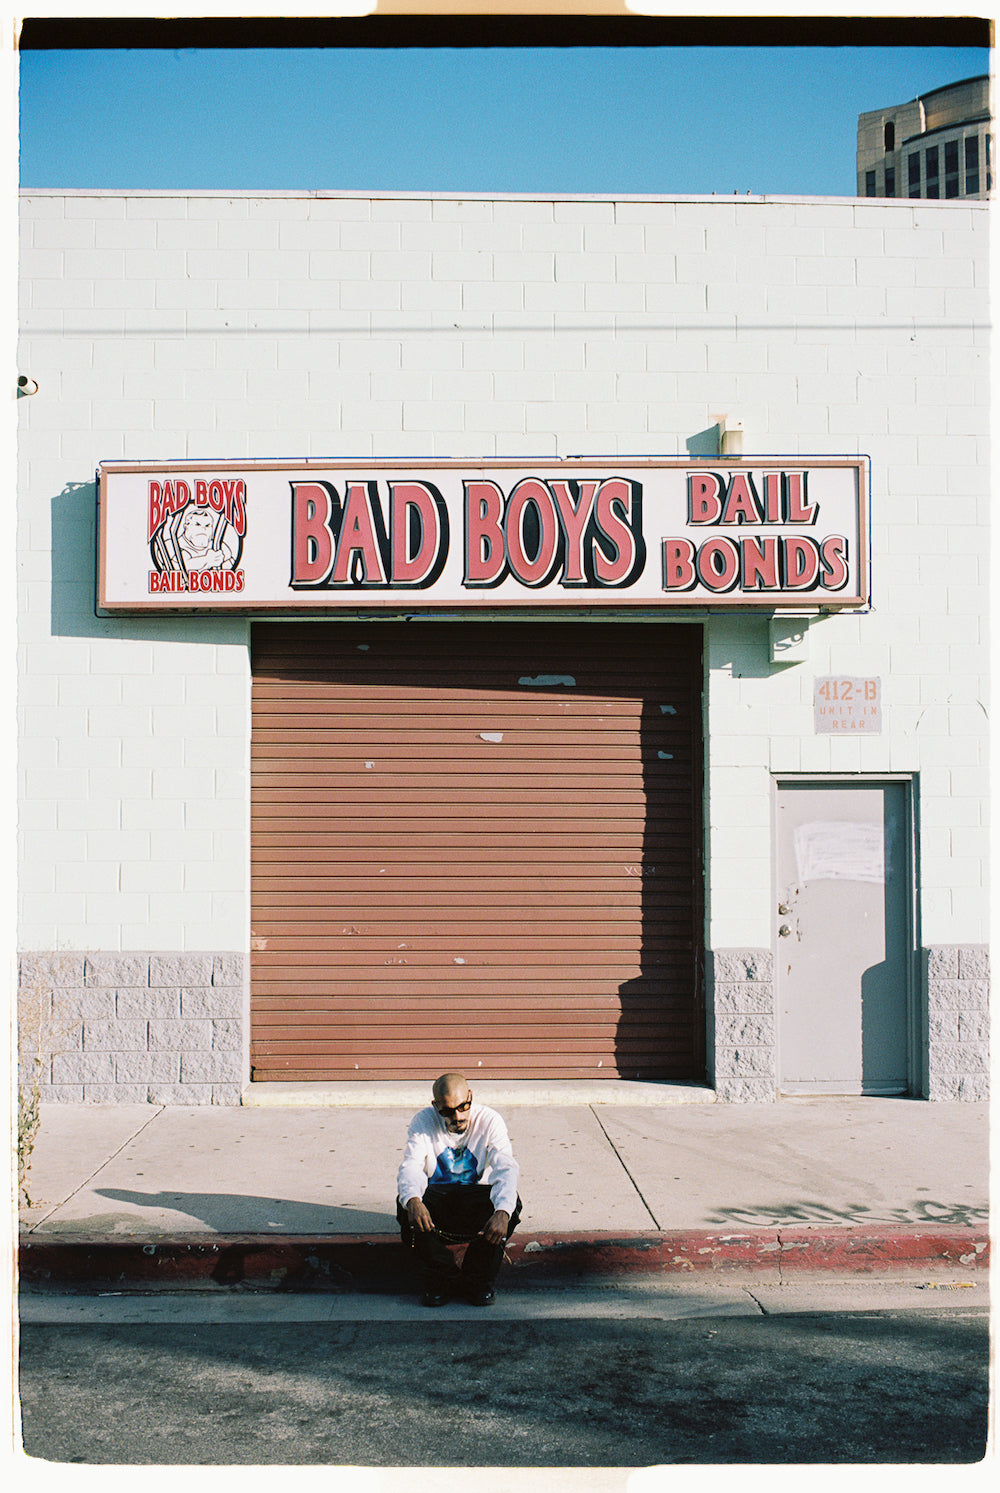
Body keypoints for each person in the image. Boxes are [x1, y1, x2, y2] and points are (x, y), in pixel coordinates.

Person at [396, 1072, 522, 1306]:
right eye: (447, 1111)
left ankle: (476, 1281)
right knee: (405, 1205)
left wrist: (502, 1212)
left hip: (474, 1201)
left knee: (511, 1204)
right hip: (438, 1204)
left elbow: (506, 1167)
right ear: (436, 1106)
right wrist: (414, 1201)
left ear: (471, 1096)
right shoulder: (423, 1122)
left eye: (463, 1106)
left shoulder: (489, 1120)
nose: (457, 1116)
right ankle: (444, 1279)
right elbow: (411, 1166)